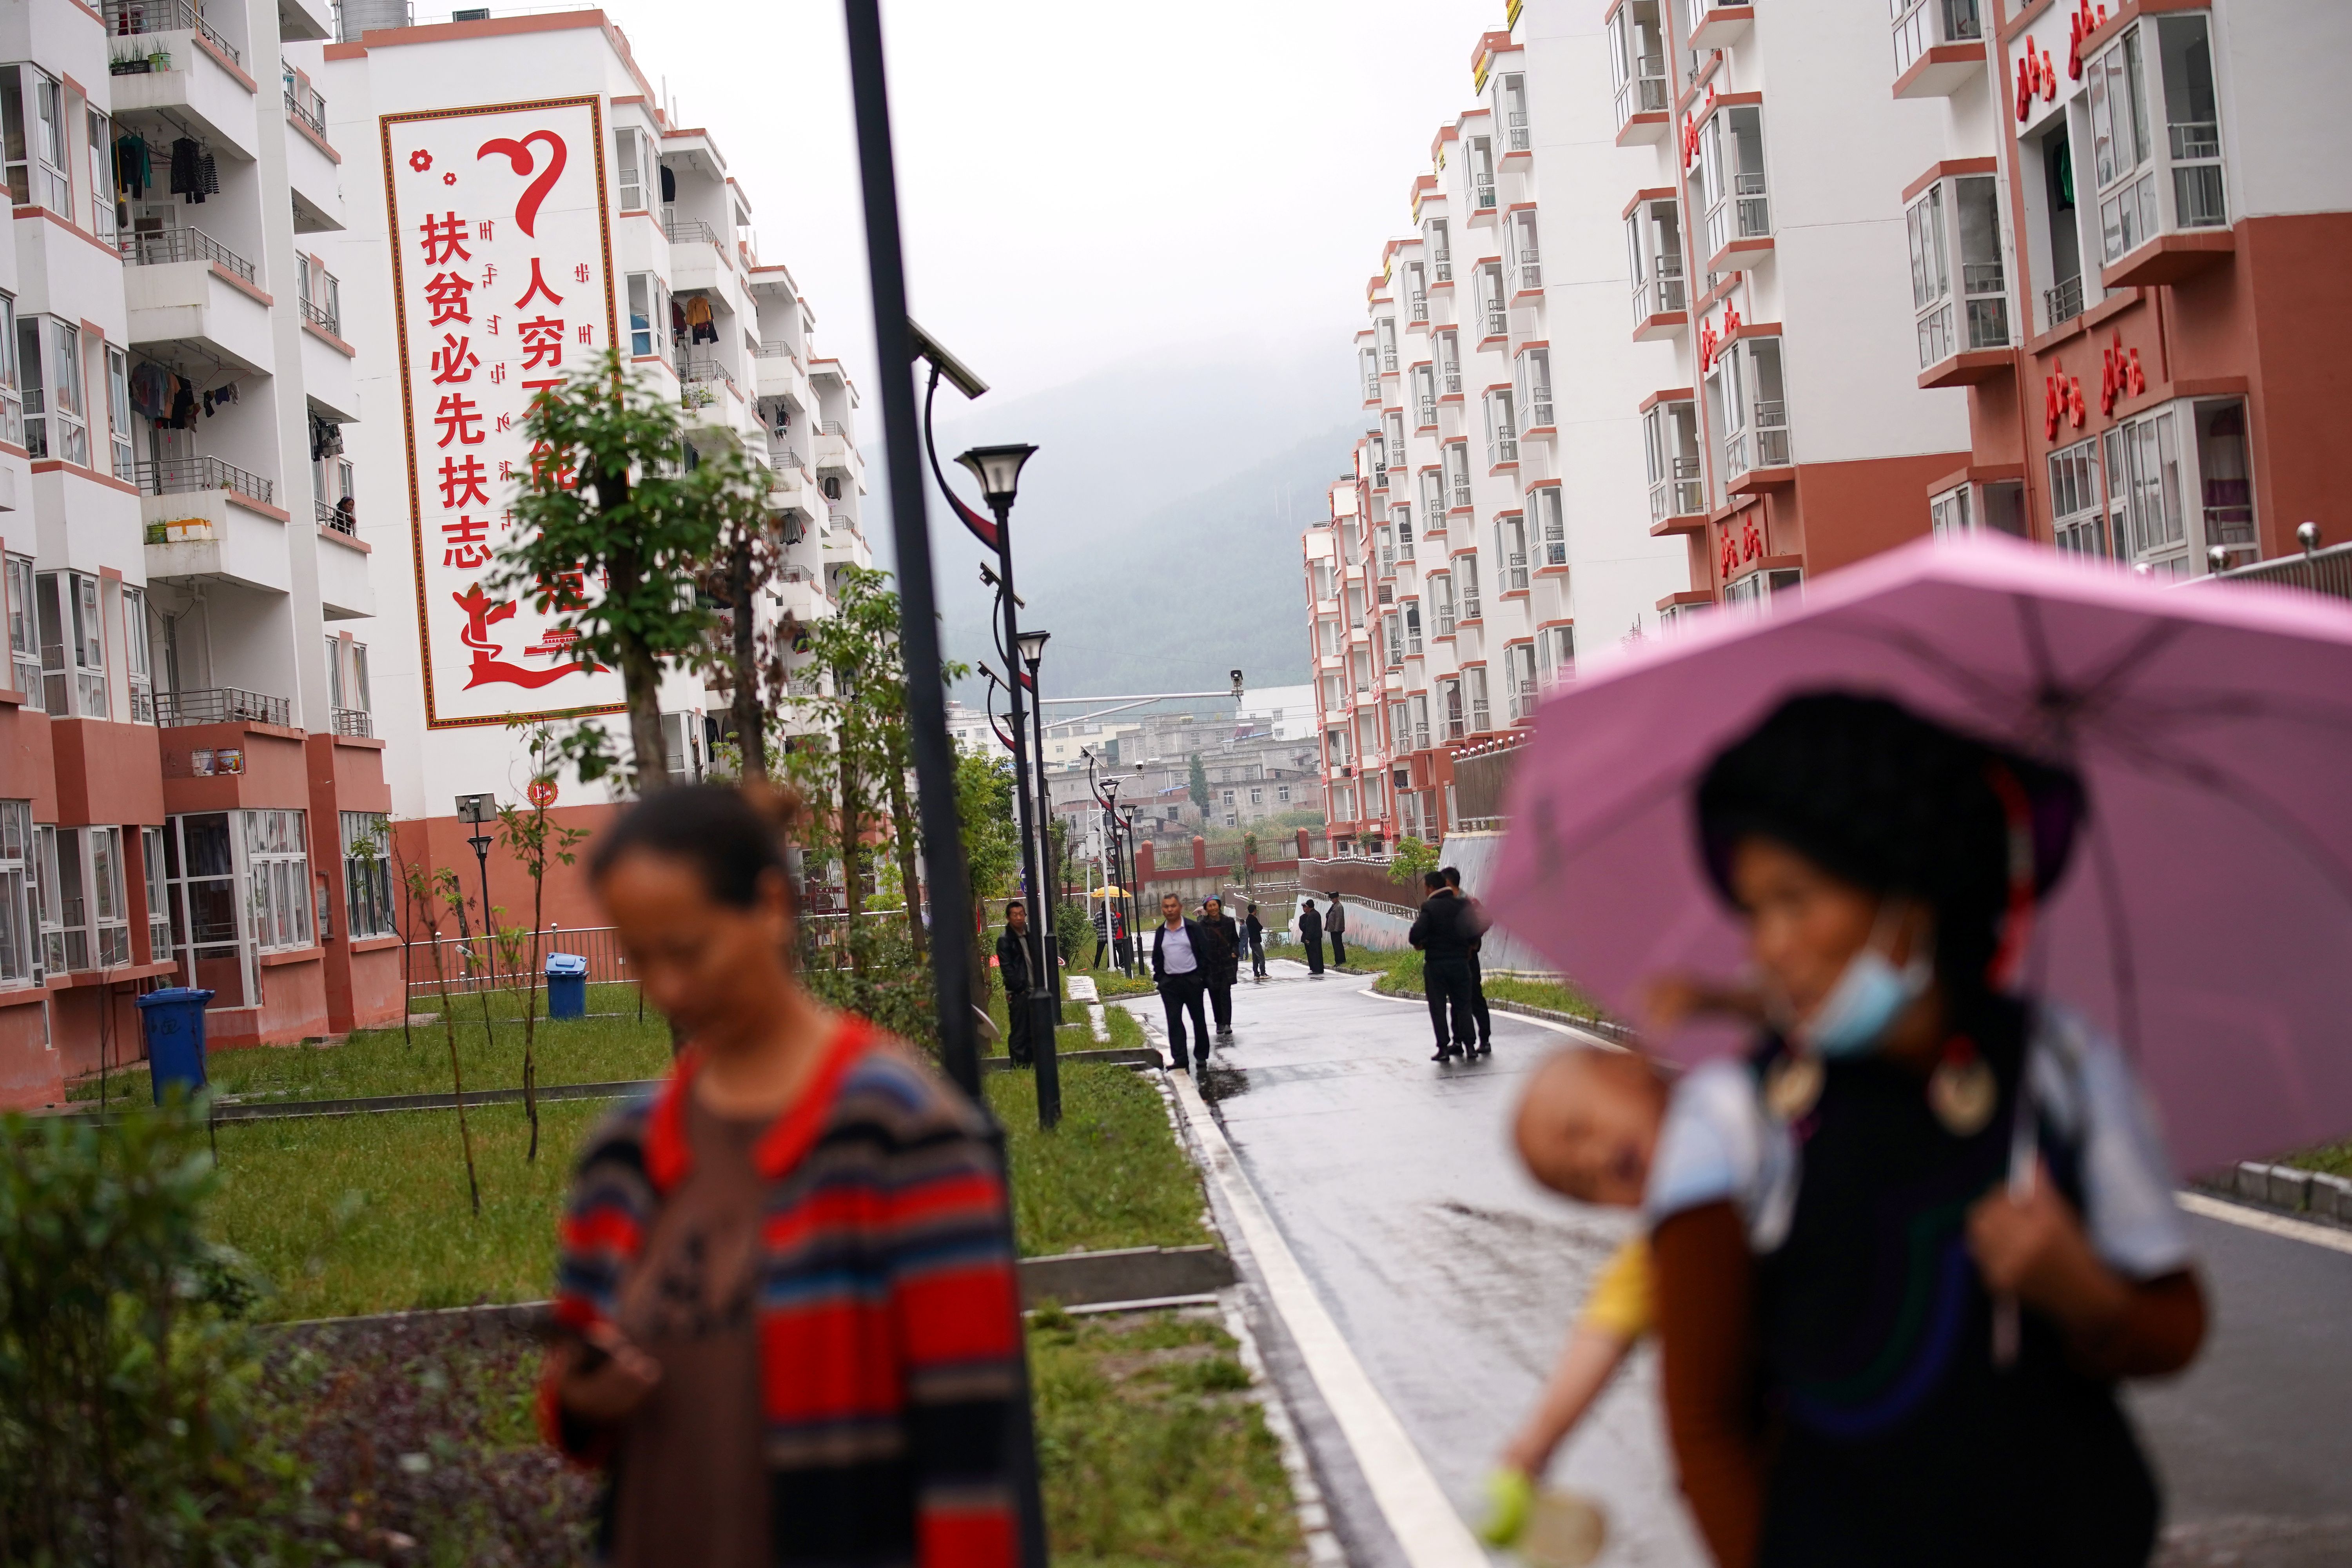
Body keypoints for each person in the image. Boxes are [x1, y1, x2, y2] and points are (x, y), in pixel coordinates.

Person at [1645, 693, 2205, 1568]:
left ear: (1907, 897)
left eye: (1797, 901)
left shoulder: (2058, 1069)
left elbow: (2176, 1322)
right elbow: (1705, 1426)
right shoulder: (1732, 1123)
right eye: (1755, 910)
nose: (1771, 946)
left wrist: (2084, 1291)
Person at [542, 784, 1024, 1568]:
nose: (666, 988)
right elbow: (575, 1389)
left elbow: (968, 1448)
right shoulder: (623, 1153)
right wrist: (580, 1397)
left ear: (769, 906)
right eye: (638, 957)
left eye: (689, 949)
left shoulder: (900, 1133)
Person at [1485, 1047, 1673, 1546]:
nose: (1593, 1159)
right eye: (1581, 1185)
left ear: (1632, 1068)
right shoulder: (1669, 1238)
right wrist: (1532, 1446)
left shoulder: (1753, 1086)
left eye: (1579, 1127)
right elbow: (1604, 1329)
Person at [1408, 869, 1479, 1060]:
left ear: (1431, 887)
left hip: (1436, 966)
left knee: (1438, 1007)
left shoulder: (1430, 908)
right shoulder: (1463, 905)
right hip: (1461, 964)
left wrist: (1424, 943)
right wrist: (1468, 948)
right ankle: (1471, 1046)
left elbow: (1415, 935)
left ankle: (1443, 1049)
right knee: (1464, 1005)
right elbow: (1475, 932)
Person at [1151, 891, 1213, 1072]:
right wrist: (1161, 978)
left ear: (1180, 908)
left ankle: (1201, 1056)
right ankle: (1180, 1059)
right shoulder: (1160, 932)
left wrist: (1200, 977)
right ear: (1162, 909)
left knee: (1198, 1020)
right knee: (1174, 1022)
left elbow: (1205, 953)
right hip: (1170, 984)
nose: (1170, 910)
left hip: (1192, 981)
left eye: (1173, 906)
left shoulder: (1193, 929)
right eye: (1166, 907)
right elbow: (1157, 957)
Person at [1444, 866, 1495, 1054]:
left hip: (1469, 957)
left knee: (1475, 998)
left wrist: (1473, 941)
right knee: (1456, 1000)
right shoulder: (1448, 904)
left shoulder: (1469, 902)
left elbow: (1486, 920)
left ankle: (1485, 1040)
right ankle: (1457, 1041)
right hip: (1453, 958)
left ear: (1448, 883)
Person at [996, 899, 1036, 1067]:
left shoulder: (1028, 936)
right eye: (1015, 915)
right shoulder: (1005, 940)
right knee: (1019, 1030)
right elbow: (1007, 968)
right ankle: (1019, 1065)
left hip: (1034, 990)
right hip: (1019, 992)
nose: (1019, 918)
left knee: (1033, 1030)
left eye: (1022, 914)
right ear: (1008, 918)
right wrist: (1019, 989)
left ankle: (1031, 1063)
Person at [1198, 896, 1242, 1037]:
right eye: (1210, 906)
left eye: (1215, 905)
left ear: (1219, 906)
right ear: (1206, 909)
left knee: (1225, 993)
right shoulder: (1202, 926)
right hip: (1210, 966)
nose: (1213, 908)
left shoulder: (1228, 922)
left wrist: (1235, 953)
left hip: (1226, 963)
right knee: (1214, 995)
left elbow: (1236, 941)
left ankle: (1227, 1023)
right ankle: (1219, 1023)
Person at [1299, 898, 1325, 976]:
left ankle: (1315, 969)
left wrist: (1308, 939)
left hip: (1313, 939)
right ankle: (1320, 969)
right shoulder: (1317, 914)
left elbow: (1311, 929)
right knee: (1319, 953)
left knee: (1313, 954)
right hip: (1318, 937)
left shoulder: (1311, 916)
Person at [1245, 903, 1268, 981]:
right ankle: (1263, 973)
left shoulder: (1248, 919)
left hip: (1252, 941)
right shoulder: (1253, 919)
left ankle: (1256, 974)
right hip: (1256, 941)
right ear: (1254, 910)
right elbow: (1260, 927)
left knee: (1255, 958)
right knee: (1261, 957)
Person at [1325, 893, 1349, 966]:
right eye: (1331, 899)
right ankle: (1338, 961)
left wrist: (1337, 929)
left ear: (1337, 898)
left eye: (1333, 898)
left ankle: (1340, 960)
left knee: (1338, 945)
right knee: (1336, 946)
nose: (1332, 900)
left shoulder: (1339, 907)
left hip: (1337, 930)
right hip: (1333, 929)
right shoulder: (1334, 906)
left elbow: (1339, 918)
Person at [1091, 899, 1112, 970]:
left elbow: (1094, 927)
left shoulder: (1097, 915)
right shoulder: (1111, 914)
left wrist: (1099, 932)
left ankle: (1096, 967)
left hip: (1101, 937)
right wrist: (1114, 932)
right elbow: (1116, 925)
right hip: (1111, 936)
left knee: (1099, 953)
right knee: (1111, 953)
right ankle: (1110, 966)